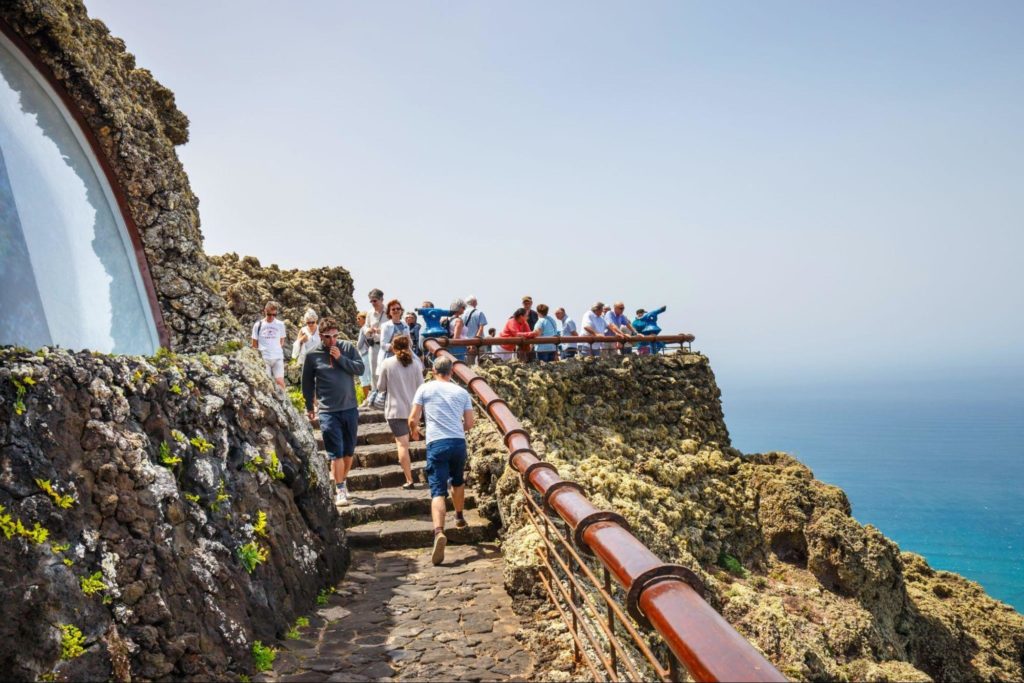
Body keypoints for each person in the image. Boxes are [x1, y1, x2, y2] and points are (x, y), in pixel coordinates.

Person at [408, 356, 474, 565]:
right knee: (458, 480)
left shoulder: (425, 389)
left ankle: (439, 532)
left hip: (436, 443)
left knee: (437, 490)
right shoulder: (462, 392)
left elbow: (413, 418)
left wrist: (414, 431)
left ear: (433, 370)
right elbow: (470, 423)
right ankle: (460, 516)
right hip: (457, 442)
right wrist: (457, 429)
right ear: (452, 372)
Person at [301, 317, 364, 507]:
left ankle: (342, 482)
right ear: (321, 336)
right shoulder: (312, 355)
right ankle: (340, 489)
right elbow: (307, 383)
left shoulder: (347, 348)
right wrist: (309, 407)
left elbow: (360, 368)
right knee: (335, 452)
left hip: (350, 407)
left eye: (336, 336)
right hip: (328, 410)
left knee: (348, 451)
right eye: (328, 337)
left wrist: (340, 358)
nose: (333, 340)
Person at [377, 335, 424, 489]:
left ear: (393, 347)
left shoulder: (387, 363)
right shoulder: (416, 364)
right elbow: (421, 388)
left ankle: (409, 480)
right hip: (413, 410)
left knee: (402, 445)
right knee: (411, 442)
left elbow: (380, 387)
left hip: (395, 410)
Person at [251, 301, 287, 390]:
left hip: (277, 357)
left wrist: (276, 349)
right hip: (264, 358)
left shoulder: (280, 324)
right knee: (267, 384)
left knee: (280, 382)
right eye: (269, 314)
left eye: (274, 315)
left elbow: (282, 340)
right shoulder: (258, 325)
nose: (271, 317)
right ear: (264, 311)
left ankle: (284, 403)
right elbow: (254, 344)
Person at [362, 289, 386, 405]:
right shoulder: (370, 313)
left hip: (386, 346)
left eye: (375, 301)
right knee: (373, 372)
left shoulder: (389, 312)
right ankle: (376, 396)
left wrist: (382, 331)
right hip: (374, 346)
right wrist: (368, 330)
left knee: (386, 371)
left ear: (382, 299)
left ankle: (386, 395)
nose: (373, 303)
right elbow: (365, 327)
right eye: (371, 301)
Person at [377, 299, 410, 372]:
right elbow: (383, 344)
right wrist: (396, 350)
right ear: (389, 312)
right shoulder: (385, 326)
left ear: (401, 311)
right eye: (393, 309)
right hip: (390, 356)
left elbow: (409, 341)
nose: (396, 310)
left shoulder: (405, 325)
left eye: (398, 309)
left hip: (404, 356)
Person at [461, 295, 488, 365]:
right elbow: (481, 328)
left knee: (470, 365)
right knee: (482, 364)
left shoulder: (462, 314)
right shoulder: (479, 313)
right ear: (474, 302)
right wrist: (475, 342)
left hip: (467, 343)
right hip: (479, 342)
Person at [355, 311, 373, 397]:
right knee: (370, 377)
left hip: (365, 354)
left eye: (359, 318)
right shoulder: (369, 328)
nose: (357, 320)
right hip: (369, 354)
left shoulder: (363, 329)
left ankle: (367, 399)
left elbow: (359, 345)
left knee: (364, 377)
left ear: (365, 319)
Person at [447, 298, 468, 363]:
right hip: (458, 347)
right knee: (460, 365)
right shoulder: (458, 321)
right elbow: (456, 338)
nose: (464, 309)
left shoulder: (448, 319)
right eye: (463, 307)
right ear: (458, 308)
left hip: (450, 347)